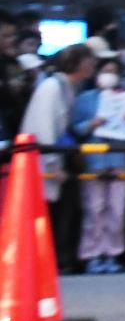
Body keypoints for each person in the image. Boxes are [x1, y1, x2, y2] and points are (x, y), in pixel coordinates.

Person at [24, 43, 97, 272]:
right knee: (48, 213)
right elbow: (45, 129)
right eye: (89, 61)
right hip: (46, 160)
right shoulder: (52, 87)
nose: (93, 66)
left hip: (56, 157)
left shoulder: (67, 87)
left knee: (60, 211)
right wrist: (53, 165)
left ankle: (55, 260)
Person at [72, 56, 125, 273]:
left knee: (117, 209)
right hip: (95, 159)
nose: (109, 75)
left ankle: (113, 253)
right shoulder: (86, 98)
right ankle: (92, 254)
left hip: (119, 158)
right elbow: (76, 128)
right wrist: (93, 123)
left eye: (113, 71)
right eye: (105, 70)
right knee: (94, 208)